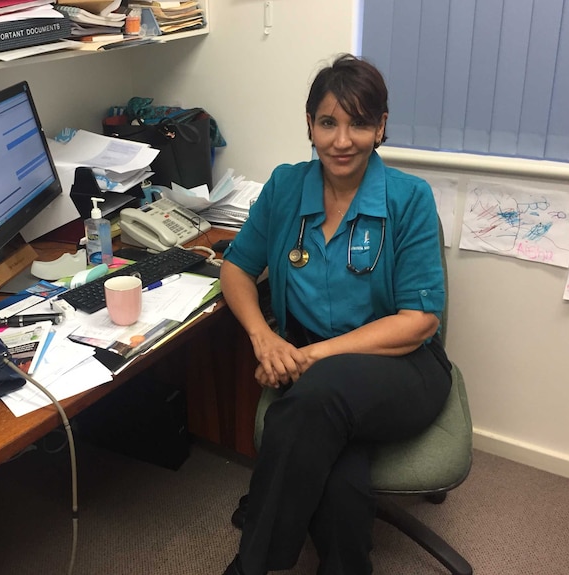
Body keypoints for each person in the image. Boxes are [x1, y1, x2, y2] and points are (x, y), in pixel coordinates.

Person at [220, 54, 453, 575]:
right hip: (308, 371)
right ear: (309, 125)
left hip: (403, 366)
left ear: (381, 127)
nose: (342, 140)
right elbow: (235, 270)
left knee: (318, 397)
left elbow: (420, 320)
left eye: (359, 123)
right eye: (328, 122)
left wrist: (309, 355)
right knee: (341, 479)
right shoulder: (284, 188)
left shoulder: (409, 198)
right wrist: (264, 338)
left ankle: (252, 564)